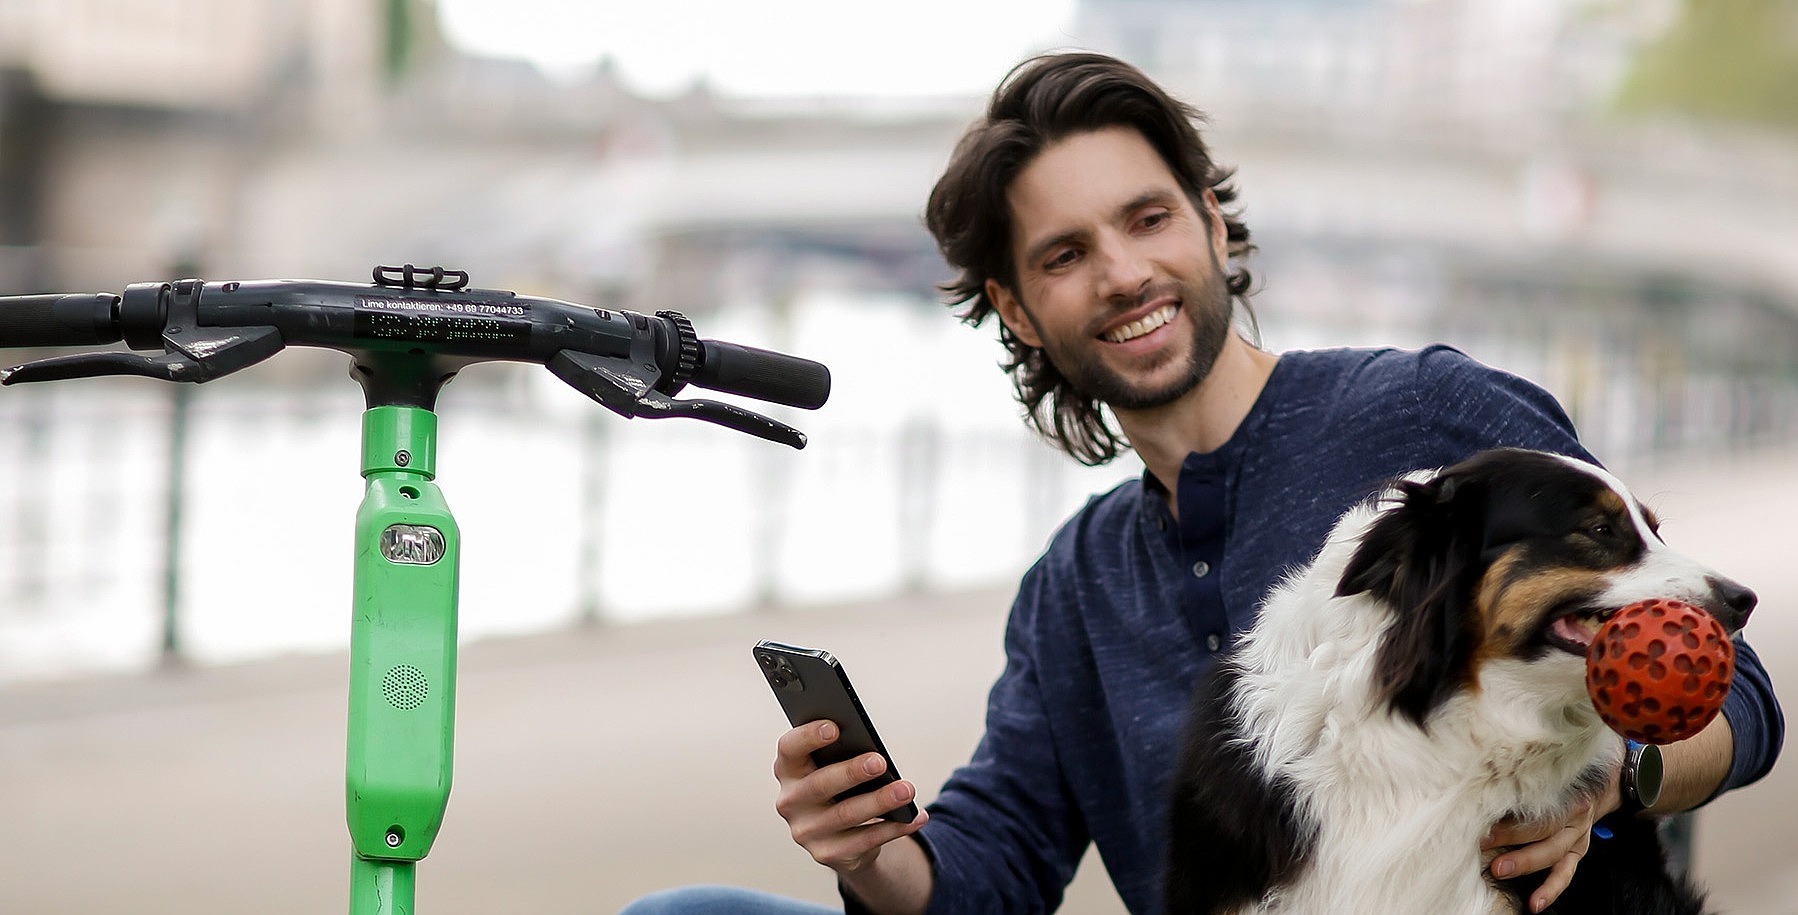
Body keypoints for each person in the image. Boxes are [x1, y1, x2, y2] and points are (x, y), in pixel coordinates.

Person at [622, 51, 1783, 915]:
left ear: (1213, 224)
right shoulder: (1076, 586)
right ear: (1021, 312)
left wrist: (1608, 782)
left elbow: (1740, 698)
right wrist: (867, 846)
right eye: (1066, 256)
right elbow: (993, 870)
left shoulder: (1431, 421)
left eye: (1148, 220)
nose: (1125, 274)